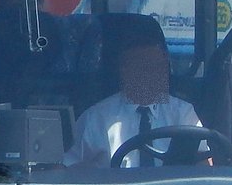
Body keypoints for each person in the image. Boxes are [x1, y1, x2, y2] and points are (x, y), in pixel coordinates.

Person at [62, 30, 205, 168]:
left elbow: (204, 164)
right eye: (142, 66)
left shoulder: (184, 113)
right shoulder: (96, 118)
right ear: (124, 69)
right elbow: (67, 168)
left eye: (157, 65)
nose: (152, 73)